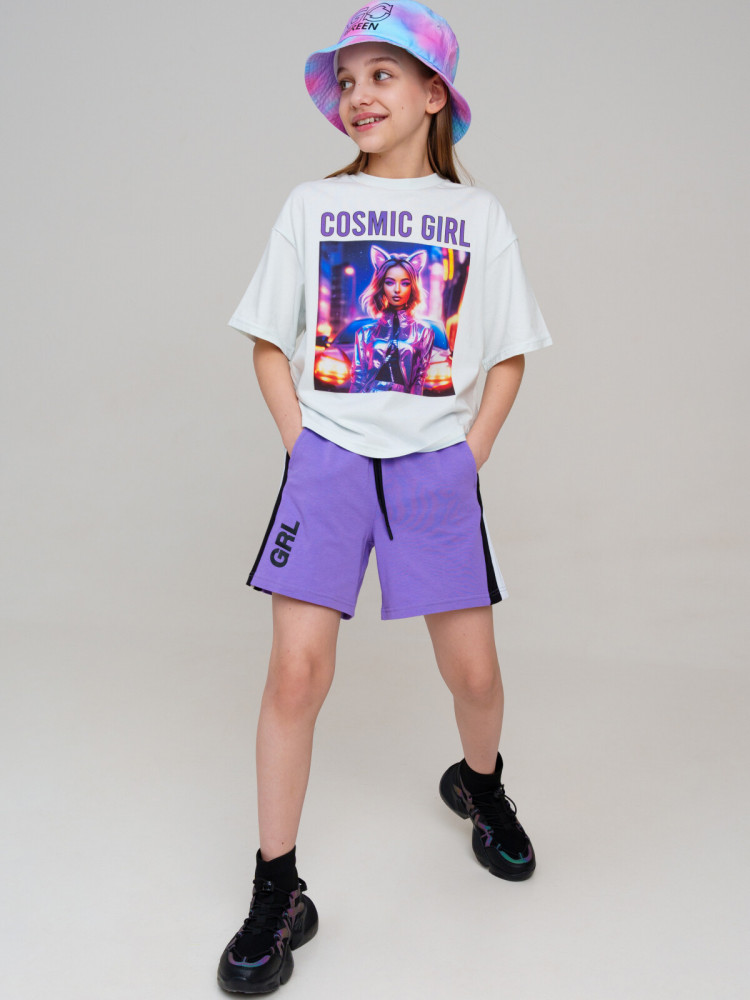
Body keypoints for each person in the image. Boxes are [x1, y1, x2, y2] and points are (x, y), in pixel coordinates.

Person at [218, 1, 553, 993]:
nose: (359, 95)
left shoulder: (477, 218)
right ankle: (278, 888)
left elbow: (509, 354)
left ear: (433, 94)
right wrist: (304, 444)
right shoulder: (310, 207)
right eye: (348, 80)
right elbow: (268, 340)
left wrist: (466, 455)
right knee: (294, 676)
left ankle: (479, 785)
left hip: (433, 470)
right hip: (327, 466)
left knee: (475, 677)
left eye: (382, 75)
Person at [350, 246, 435, 394]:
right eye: (390, 282)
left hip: (404, 403)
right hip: (369, 400)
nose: (397, 290)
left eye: (405, 283)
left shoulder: (424, 333)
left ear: (412, 287)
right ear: (381, 285)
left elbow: (419, 380)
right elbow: (358, 378)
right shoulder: (364, 333)